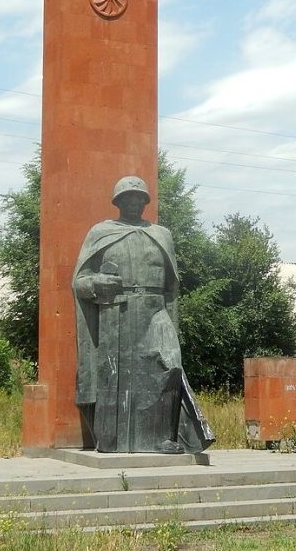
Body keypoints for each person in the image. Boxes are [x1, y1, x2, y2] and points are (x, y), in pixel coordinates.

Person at [73, 175, 214, 453]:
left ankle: (164, 436)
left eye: (139, 198)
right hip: (117, 312)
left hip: (155, 310)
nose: (134, 202)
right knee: (115, 376)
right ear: (118, 202)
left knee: (170, 363)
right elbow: (80, 282)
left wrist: (172, 322)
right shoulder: (101, 232)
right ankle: (112, 439)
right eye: (128, 198)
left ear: (146, 202)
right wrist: (97, 283)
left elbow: (172, 287)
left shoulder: (161, 234)